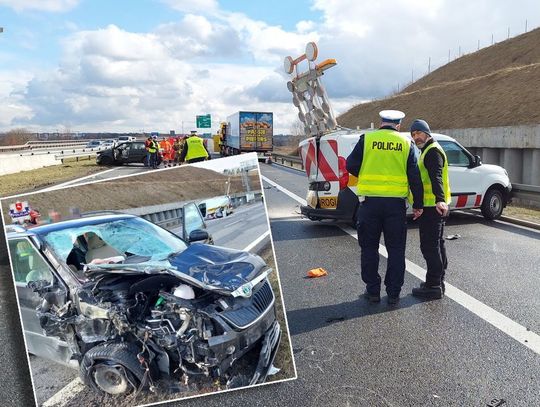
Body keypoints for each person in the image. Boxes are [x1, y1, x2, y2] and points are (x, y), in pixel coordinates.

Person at [346, 110, 423, 305]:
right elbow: (414, 176)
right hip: (395, 206)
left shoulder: (367, 139)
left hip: (369, 204)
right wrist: (418, 205)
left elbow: (350, 165)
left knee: (369, 248)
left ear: (381, 123)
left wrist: (367, 171)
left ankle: (372, 291)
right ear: (398, 125)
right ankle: (394, 293)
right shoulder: (406, 143)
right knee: (396, 250)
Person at [409, 119, 451, 300]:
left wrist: (440, 200)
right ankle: (438, 281)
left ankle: (433, 286)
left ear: (427, 133)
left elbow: (437, 177)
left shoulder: (432, 152)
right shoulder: (427, 150)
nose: (416, 137)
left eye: (419, 133)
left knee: (429, 247)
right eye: (413, 134)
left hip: (432, 207)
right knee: (437, 245)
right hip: (432, 207)